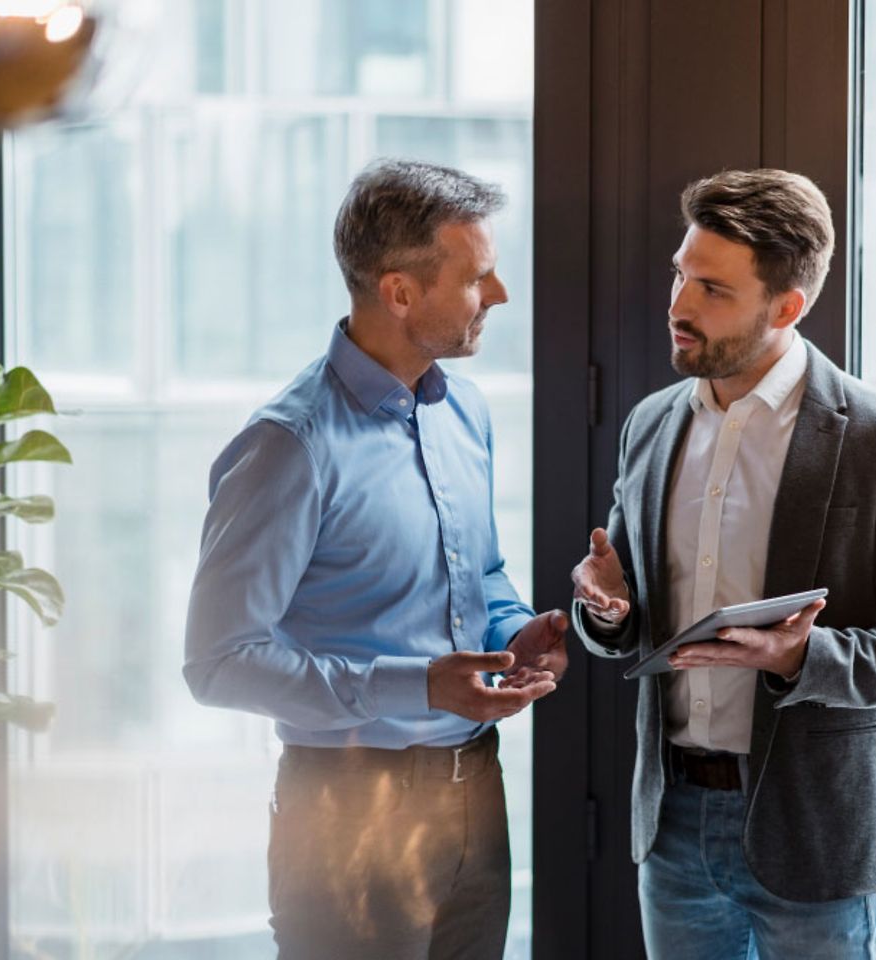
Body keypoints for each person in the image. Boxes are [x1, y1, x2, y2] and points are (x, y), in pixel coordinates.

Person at [571, 169, 876, 959]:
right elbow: (627, 618)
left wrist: (803, 656)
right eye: (680, 274)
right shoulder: (651, 424)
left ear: (786, 308)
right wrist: (607, 610)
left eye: (712, 290)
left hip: (817, 835)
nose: (679, 306)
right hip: (672, 825)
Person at [183, 158, 567, 960]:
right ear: (399, 293)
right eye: (478, 279)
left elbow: (481, 574)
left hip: (475, 794)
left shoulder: (465, 409)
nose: (497, 297)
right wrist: (416, 683)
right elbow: (218, 663)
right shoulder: (288, 446)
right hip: (344, 813)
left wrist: (518, 629)